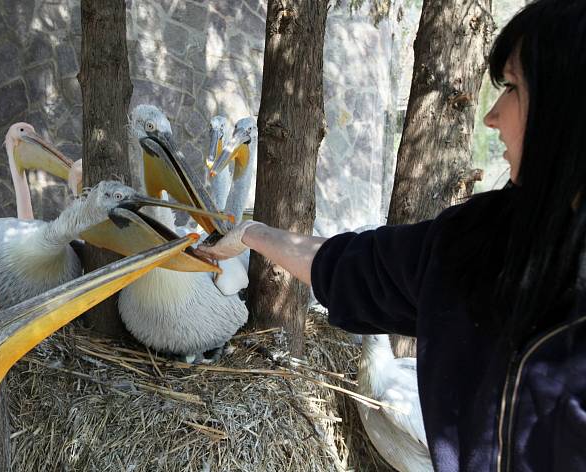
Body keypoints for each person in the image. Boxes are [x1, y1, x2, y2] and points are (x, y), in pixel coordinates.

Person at [195, 1, 586, 470]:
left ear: (569, 106)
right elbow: (354, 268)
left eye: (515, 88)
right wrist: (253, 233)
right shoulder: (484, 239)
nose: (492, 116)